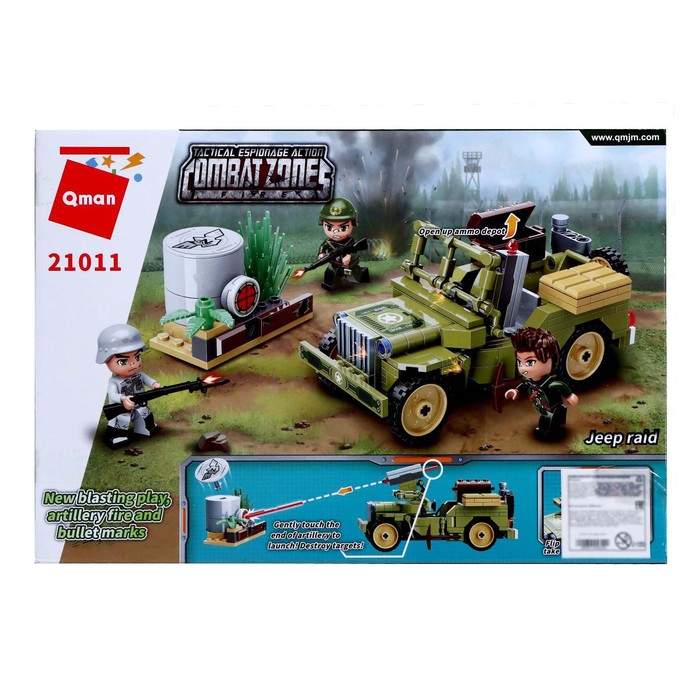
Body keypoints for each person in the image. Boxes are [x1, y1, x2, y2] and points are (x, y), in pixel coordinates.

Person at [505, 327, 578, 441]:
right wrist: (516, 390)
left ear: (551, 359)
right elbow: (524, 385)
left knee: (549, 418)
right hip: (541, 405)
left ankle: (547, 431)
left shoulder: (549, 384)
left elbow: (561, 386)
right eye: (519, 362)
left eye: (530, 362)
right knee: (550, 416)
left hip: (551, 406)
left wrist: (569, 395)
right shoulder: (528, 380)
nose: (522, 368)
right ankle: (552, 426)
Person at [96, 324, 160, 447]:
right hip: (123, 407)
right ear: (106, 360)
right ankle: (117, 437)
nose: (133, 364)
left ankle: (146, 428)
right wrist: (123, 399)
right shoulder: (114, 381)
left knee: (145, 414)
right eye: (123, 361)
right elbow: (112, 394)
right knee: (121, 420)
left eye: (137, 357)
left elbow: (147, 379)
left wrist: (154, 384)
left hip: (139, 403)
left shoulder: (139, 375)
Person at [317, 197, 369, 291]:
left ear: (353, 223)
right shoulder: (328, 242)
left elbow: (354, 250)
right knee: (330, 274)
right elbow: (323, 247)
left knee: (355, 276)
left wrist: (349, 257)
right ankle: (331, 284)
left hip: (349, 265)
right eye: (329, 227)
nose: (335, 232)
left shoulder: (349, 242)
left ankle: (363, 273)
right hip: (335, 263)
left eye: (343, 228)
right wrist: (321, 254)